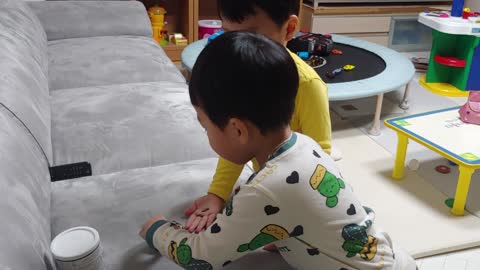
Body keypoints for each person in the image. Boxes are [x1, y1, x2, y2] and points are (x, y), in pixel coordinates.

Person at [140, 31, 416, 270]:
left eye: (205, 125)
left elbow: (200, 256)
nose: (205, 133)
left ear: (238, 130)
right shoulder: (304, 145)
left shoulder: (267, 188)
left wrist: (158, 230)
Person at [184, 0, 333, 233]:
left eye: (249, 36)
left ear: (289, 28)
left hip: (300, 189)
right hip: (268, 181)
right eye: (228, 36)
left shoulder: (308, 86)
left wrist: (293, 221)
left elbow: (322, 163)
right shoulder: (239, 76)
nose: (235, 50)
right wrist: (217, 195)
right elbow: (234, 141)